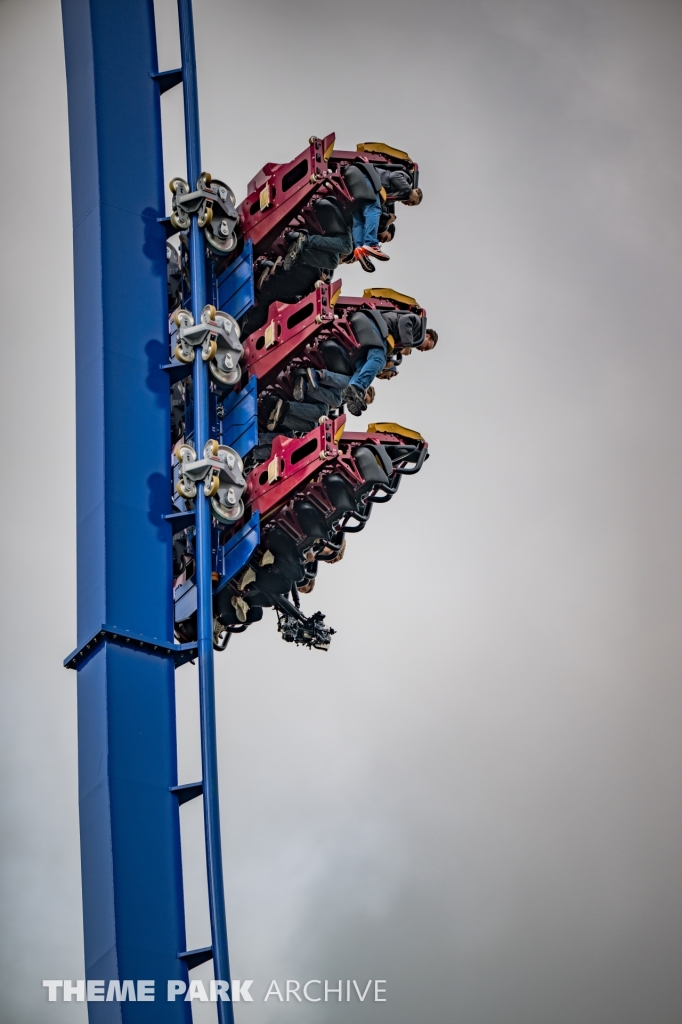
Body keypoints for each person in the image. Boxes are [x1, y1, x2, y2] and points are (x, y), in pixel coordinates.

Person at [349, 161, 422, 270]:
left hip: (356, 181)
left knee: (359, 219)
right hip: (367, 177)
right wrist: (410, 192)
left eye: (411, 204)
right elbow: (394, 176)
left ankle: (360, 249)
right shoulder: (408, 179)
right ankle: (371, 244)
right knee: (373, 209)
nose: (409, 203)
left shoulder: (393, 199)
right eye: (413, 201)